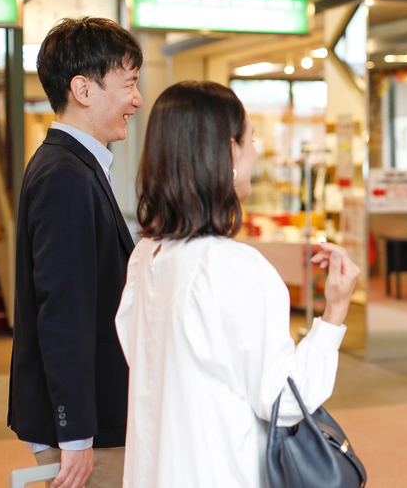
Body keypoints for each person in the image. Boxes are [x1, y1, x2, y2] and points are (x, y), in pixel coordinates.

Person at [114, 80, 360, 487]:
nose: (257, 150)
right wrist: (334, 312)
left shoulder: (147, 256)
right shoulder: (233, 265)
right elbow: (283, 401)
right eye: (250, 139)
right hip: (220, 469)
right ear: (229, 152)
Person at [8, 17, 143, 488]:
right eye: (129, 84)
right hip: (86, 428)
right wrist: (76, 434)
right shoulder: (65, 175)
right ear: (83, 89)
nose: (137, 100)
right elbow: (63, 314)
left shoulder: (73, 164)